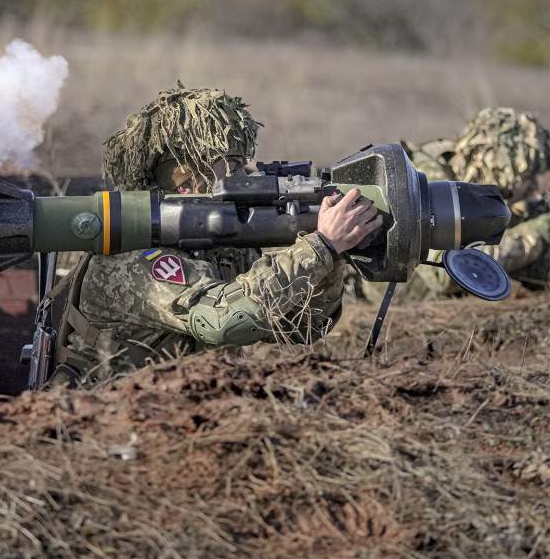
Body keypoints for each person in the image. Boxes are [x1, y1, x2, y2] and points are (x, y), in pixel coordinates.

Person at [47, 86, 382, 386]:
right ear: (186, 180)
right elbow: (223, 320)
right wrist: (320, 246)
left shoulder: (218, 247)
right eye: (231, 165)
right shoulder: (134, 255)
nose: (245, 175)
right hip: (98, 423)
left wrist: (332, 255)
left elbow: (302, 327)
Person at [358, 107, 550, 302]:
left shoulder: (463, 172)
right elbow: (445, 272)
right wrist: (536, 233)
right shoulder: (423, 183)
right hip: (376, 302)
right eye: (528, 178)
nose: (534, 188)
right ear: (503, 168)